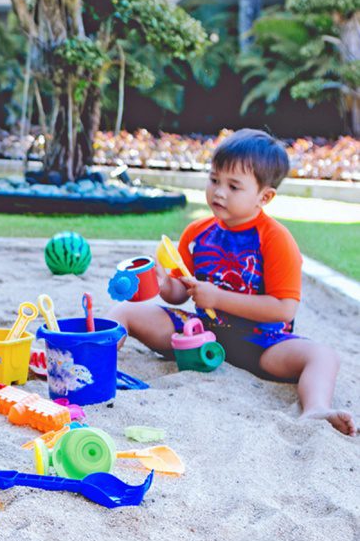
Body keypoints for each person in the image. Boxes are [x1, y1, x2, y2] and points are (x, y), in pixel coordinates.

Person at [108, 129, 355, 436]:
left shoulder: (275, 239)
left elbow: (284, 309)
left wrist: (218, 298)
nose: (219, 192)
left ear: (264, 196)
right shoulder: (198, 233)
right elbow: (178, 294)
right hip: (200, 335)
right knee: (125, 312)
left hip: (263, 344)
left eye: (233, 186)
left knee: (323, 356)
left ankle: (316, 407)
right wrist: (161, 283)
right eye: (214, 180)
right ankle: (97, 362)